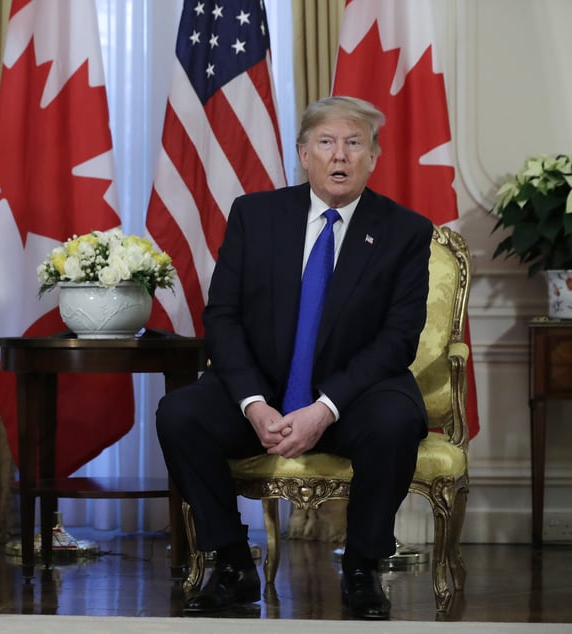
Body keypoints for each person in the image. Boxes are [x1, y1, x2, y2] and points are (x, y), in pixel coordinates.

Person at [156, 96, 433, 620]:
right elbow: (224, 317)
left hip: (354, 396)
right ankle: (233, 564)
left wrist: (323, 408)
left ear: (373, 156)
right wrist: (255, 404)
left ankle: (363, 566)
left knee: (396, 419)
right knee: (180, 413)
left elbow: (397, 339)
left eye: (354, 143)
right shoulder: (255, 215)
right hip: (264, 388)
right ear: (304, 154)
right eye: (326, 143)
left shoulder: (404, 231)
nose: (340, 156)